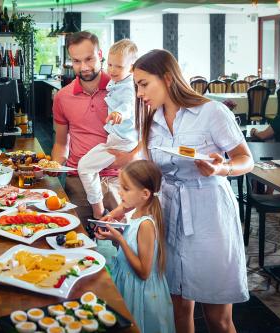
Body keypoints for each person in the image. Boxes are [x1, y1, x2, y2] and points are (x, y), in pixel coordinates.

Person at [104, 49, 254, 333]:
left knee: (217, 317)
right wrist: (118, 211)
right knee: (177, 306)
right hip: (169, 213)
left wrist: (221, 169)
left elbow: (246, 160)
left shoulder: (211, 112)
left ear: (168, 78)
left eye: (144, 84)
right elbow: (147, 180)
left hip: (210, 214)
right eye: (136, 85)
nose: (138, 92)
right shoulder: (151, 121)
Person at [51, 31, 138, 224]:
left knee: (129, 245)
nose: (84, 67)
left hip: (121, 180)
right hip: (78, 182)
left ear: (100, 55)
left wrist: (131, 156)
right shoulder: (62, 97)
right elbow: (60, 143)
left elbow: (149, 132)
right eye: (76, 61)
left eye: (89, 59)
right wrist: (54, 166)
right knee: (76, 245)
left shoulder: (124, 89)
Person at [95, 160, 175, 333]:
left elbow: (144, 272)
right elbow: (134, 248)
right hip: (128, 284)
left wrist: (120, 240)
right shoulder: (136, 212)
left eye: (126, 188)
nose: (119, 191)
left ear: (144, 194)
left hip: (141, 293)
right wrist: (113, 236)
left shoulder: (146, 224)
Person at [78, 39, 138, 220]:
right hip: (115, 139)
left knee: (85, 167)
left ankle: (99, 211)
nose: (111, 70)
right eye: (110, 64)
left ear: (132, 67)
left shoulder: (129, 87)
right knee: (86, 167)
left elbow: (129, 104)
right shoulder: (116, 81)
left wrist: (120, 113)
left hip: (123, 143)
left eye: (118, 67)